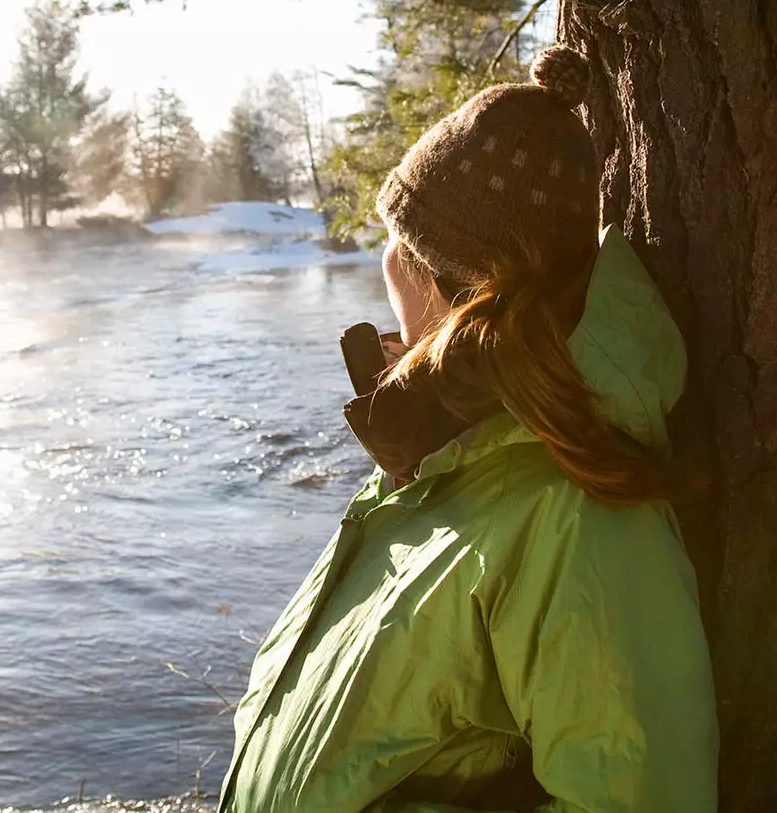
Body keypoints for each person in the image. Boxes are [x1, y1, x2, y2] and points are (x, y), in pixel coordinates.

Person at [217, 46, 719, 813]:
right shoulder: (442, 460)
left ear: (449, 284)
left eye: (399, 248)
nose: (385, 265)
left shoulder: (578, 524)